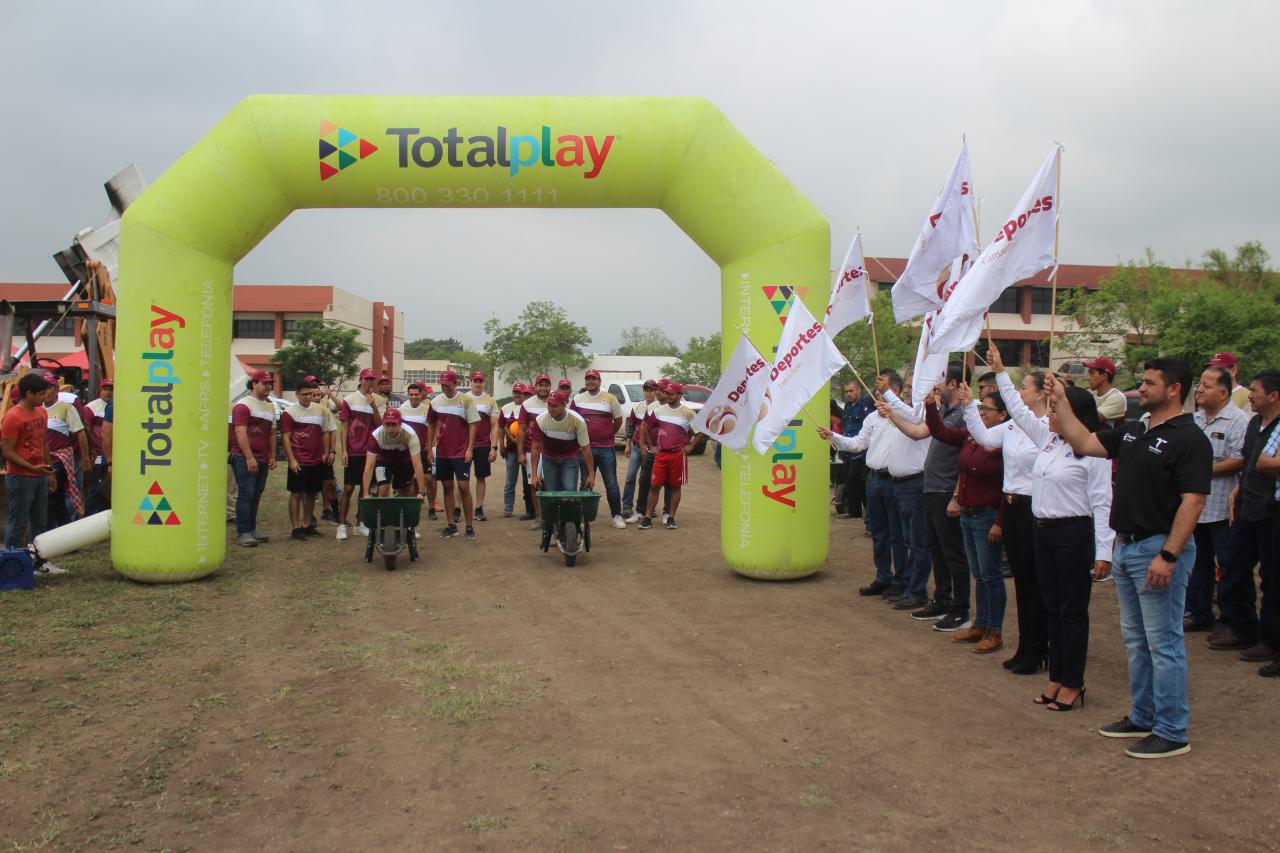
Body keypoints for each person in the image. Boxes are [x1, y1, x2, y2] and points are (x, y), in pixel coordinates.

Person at [1052, 358, 1210, 759]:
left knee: (1164, 643)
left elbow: (1193, 502)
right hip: (1127, 546)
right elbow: (1084, 442)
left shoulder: (1190, 438)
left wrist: (1169, 555)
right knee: (1138, 641)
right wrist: (1061, 401)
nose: (1141, 388)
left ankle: (1172, 731)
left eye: (1150, 382)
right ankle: (1143, 715)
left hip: (1157, 549)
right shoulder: (1137, 430)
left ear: (1174, 389)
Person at [993, 346, 1113, 715]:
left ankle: (1073, 681)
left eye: (1058, 410)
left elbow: (1102, 502)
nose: (1051, 416)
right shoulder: (1048, 440)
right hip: (1042, 532)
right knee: (1051, 607)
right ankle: (1057, 676)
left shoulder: (1092, 450)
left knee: (1072, 611)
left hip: (1073, 534)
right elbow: (1018, 410)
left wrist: (1104, 551)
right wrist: (1001, 372)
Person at [964, 359, 1052, 675]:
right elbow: (985, 438)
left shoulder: (1046, 426)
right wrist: (968, 406)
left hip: (1033, 506)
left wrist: (1001, 372)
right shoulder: (1014, 425)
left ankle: (1039, 647)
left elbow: (1013, 405)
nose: (1018, 392)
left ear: (1041, 394)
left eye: (1024, 387)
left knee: (1034, 580)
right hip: (1012, 504)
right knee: (1022, 581)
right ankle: (1026, 645)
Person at [879, 365, 972, 630]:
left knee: (953, 554)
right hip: (930, 490)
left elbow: (963, 457)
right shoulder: (944, 411)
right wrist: (892, 415)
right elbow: (918, 432)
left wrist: (957, 495)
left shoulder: (967, 414)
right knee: (936, 550)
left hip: (946, 492)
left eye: (938, 380)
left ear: (952, 384)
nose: (934, 386)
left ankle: (960, 609)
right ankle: (942, 601)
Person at [926, 383, 1009, 652]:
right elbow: (940, 432)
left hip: (988, 515)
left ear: (1003, 415)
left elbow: (1009, 485)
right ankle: (981, 624)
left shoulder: (1004, 442)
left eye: (987, 409)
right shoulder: (972, 436)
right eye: (980, 408)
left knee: (991, 575)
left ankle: (995, 630)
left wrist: (999, 521)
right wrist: (930, 406)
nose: (981, 413)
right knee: (979, 574)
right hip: (969, 514)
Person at [819, 370, 909, 598]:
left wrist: (893, 410)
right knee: (879, 532)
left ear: (896, 391)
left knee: (897, 534)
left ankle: (901, 579)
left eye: (883, 390)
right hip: (874, 479)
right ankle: (883, 576)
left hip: (894, 480)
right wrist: (833, 436)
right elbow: (858, 443)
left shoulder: (906, 416)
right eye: (877, 390)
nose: (877, 394)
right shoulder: (872, 419)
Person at [1212, 370, 1280, 656]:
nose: (1249, 395)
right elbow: (1250, 461)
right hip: (1247, 506)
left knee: (1271, 576)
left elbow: (1267, 464)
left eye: (1254, 390)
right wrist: (1238, 489)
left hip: (1271, 510)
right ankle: (1242, 628)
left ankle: (1270, 640)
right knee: (1235, 567)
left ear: (1273, 396)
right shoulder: (1255, 423)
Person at [1186, 367, 1248, 632]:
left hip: (1223, 507)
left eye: (1207, 385)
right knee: (1197, 562)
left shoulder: (1238, 420)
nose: (1199, 389)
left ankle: (1232, 619)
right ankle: (1199, 613)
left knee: (1229, 564)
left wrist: (1202, 470)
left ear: (1223, 393)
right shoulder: (1195, 420)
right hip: (1196, 507)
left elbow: (1240, 459)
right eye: (1200, 384)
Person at [637, 380, 703, 530]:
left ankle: (671, 517)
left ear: (679, 395)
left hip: (678, 455)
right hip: (661, 455)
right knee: (654, 486)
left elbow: (700, 431)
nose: (667, 396)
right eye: (666, 393)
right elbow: (645, 427)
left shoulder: (688, 413)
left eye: (671, 394)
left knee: (675, 486)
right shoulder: (659, 411)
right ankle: (647, 517)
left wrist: (691, 445)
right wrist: (651, 445)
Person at [2, 373, 55, 548]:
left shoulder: (42, 412)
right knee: (18, 522)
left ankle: (38, 558)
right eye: (41, 394)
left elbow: (44, 442)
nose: (44, 397)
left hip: (40, 474)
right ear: (29, 394)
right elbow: (7, 452)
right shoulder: (13, 416)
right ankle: (11, 559)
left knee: (40, 521)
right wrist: (33, 468)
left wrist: (50, 471)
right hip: (20, 476)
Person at [280, 382, 337, 541]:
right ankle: (295, 528)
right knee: (296, 493)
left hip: (316, 460)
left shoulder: (320, 411)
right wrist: (291, 460)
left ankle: (307, 525)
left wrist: (326, 452)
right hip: (299, 460)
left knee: (311, 493)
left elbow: (325, 432)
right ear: (297, 394)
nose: (308, 397)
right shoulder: (289, 413)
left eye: (310, 394)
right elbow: (286, 437)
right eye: (304, 394)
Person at [428, 370, 480, 541]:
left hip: (460, 451)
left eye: (448, 385)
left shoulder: (466, 400)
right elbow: (432, 425)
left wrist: (470, 448)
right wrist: (430, 449)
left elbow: (473, 424)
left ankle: (469, 526)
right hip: (442, 452)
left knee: (464, 487)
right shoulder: (435, 402)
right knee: (447, 487)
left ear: (455, 384)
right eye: (443, 385)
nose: (445, 388)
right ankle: (451, 525)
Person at [229, 370, 278, 548]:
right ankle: (243, 532)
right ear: (254, 384)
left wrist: (272, 455)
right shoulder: (243, 406)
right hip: (243, 457)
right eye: (264, 383)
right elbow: (240, 431)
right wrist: (249, 457)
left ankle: (252, 528)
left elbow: (271, 432)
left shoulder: (270, 407)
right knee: (246, 493)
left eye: (270, 383)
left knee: (256, 494)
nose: (268, 386)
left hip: (262, 457)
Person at [572, 369, 626, 529]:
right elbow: (573, 420)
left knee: (611, 482)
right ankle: (583, 518)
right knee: (585, 482)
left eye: (593, 379)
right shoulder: (578, 399)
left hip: (606, 448)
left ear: (599, 381)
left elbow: (617, 421)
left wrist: (607, 435)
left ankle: (616, 515)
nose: (590, 382)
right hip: (585, 448)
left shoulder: (610, 398)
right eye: (588, 379)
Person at [336, 368, 384, 540]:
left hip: (370, 451)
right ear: (361, 379)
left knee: (366, 489)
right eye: (366, 379)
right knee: (349, 488)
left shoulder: (378, 401)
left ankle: (360, 522)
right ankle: (341, 525)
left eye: (372, 379)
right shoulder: (349, 400)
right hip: (354, 450)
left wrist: (373, 406)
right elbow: (344, 426)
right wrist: (344, 450)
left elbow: (380, 425)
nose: (369, 382)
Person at [43, 379, 91, 529]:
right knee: (48, 501)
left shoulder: (66, 408)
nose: (46, 392)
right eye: (43, 388)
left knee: (54, 498)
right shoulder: (37, 409)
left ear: (56, 390)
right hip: (41, 462)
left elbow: (80, 433)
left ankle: (62, 530)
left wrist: (85, 459)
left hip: (59, 460)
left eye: (49, 388)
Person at [531, 390, 595, 495]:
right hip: (549, 458)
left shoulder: (578, 421)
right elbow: (536, 448)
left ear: (564, 405)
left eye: (554, 406)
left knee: (569, 491)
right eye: (549, 405)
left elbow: (585, 448)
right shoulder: (540, 420)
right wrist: (534, 475)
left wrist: (591, 475)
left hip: (570, 457)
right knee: (551, 493)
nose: (550, 409)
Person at [362, 407, 427, 499]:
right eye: (387, 424)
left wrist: (421, 492)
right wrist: (365, 494)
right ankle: (383, 508)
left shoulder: (410, 434)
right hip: (383, 460)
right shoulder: (376, 436)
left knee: (404, 493)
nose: (391, 428)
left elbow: (417, 464)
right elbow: (369, 466)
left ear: (400, 424)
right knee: (383, 489)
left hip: (404, 461)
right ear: (383, 424)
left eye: (394, 424)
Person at [836, 381, 876, 522]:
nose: (848, 394)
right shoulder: (847, 407)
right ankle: (854, 511)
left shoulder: (865, 404)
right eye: (846, 391)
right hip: (848, 448)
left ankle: (870, 514)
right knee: (850, 481)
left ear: (859, 390)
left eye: (851, 391)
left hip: (861, 450)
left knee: (861, 481)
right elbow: (845, 426)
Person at [463, 371, 500, 522]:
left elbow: (494, 425)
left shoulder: (490, 401)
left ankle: (479, 508)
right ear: (470, 382)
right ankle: (458, 508)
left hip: (483, 445)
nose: (478, 384)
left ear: (484, 383)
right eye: (475, 381)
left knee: (481, 477)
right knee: (462, 479)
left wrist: (494, 447)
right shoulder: (463, 399)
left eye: (480, 381)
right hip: (464, 445)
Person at [518, 374, 553, 529]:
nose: (543, 388)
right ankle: (539, 517)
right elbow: (521, 430)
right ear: (536, 386)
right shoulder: (527, 404)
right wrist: (520, 452)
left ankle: (551, 518)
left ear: (550, 386)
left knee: (551, 484)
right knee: (534, 484)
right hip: (531, 450)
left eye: (546, 385)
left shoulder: (555, 401)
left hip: (552, 450)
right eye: (540, 385)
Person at [399, 382, 437, 520]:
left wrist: (432, 444)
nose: (414, 397)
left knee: (429, 479)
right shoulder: (401, 410)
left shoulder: (428, 408)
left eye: (416, 394)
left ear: (421, 395)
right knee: (411, 480)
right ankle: (415, 506)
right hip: (407, 450)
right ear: (408, 395)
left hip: (424, 450)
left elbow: (435, 427)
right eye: (411, 394)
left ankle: (432, 508)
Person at [622, 380, 659, 522]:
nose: (648, 393)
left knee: (648, 479)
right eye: (646, 390)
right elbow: (631, 426)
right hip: (637, 447)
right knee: (630, 476)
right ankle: (627, 506)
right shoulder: (637, 407)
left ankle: (648, 507)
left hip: (651, 449)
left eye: (651, 390)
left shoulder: (659, 408)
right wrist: (628, 444)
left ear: (656, 392)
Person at [307, 375, 342, 524]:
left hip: (324, 452)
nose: (316, 393)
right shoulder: (300, 408)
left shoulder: (325, 405)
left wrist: (332, 451)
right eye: (312, 385)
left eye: (317, 385)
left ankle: (329, 511)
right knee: (309, 487)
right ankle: (309, 517)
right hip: (308, 453)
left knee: (328, 483)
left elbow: (332, 430)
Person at [500, 384, 535, 519]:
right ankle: (508, 507)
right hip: (512, 450)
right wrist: (511, 441)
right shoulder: (512, 409)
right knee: (510, 480)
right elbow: (505, 426)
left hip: (529, 450)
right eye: (522, 394)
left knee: (529, 482)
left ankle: (531, 510)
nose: (522, 396)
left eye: (527, 394)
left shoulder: (535, 409)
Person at [84, 379, 113, 514]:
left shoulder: (117, 406)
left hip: (111, 454)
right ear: (99, 391)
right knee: (95, 487)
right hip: (98, 453)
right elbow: (85, 430)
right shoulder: (91, 407)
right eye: (105, 389)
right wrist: (90, 451)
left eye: (111, 390)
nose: (108, 392)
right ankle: (90, 515)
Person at [1083, 357, 1127, 426]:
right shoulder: (1090, 393)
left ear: (1104, 376)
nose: (1088, 378)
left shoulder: (1116, 397)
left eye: (1092, 373)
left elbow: (1091, 420)